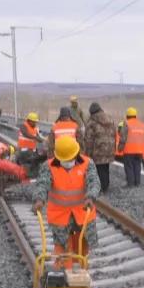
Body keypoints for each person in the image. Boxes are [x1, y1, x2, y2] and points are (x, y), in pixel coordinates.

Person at [31, 136, 99, 269]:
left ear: (76, 154)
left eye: (70, 159)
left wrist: (90, 197)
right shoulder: (48, 166)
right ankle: (62, 279)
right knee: (62, 250)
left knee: (82, 250)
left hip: (83, 213)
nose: (68, 162)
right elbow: (42, 184)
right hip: (60, 216)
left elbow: (94, 182)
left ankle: (81, 278)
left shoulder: (87, 163)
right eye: (65, 160)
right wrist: (39, 199)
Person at [83, 102, 117, 193]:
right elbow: (115, 134)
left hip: (98, 150)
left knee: (98, 169)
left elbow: (88, 140)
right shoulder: (110, 119)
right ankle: (105, 186)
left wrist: (87, 154)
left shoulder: (91, 122)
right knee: (105, 168)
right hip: (110, 149)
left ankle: (99, 188)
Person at [118, 107, 144, 187]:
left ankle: (130, 184)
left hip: (129, 151)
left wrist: (120, 148)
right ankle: (137, 183)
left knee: (129, 167)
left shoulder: (126, 123)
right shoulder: (142, 124)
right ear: (135, 115)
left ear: (127, 116)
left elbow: (123, 137)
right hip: (139, 151)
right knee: (137, 167)